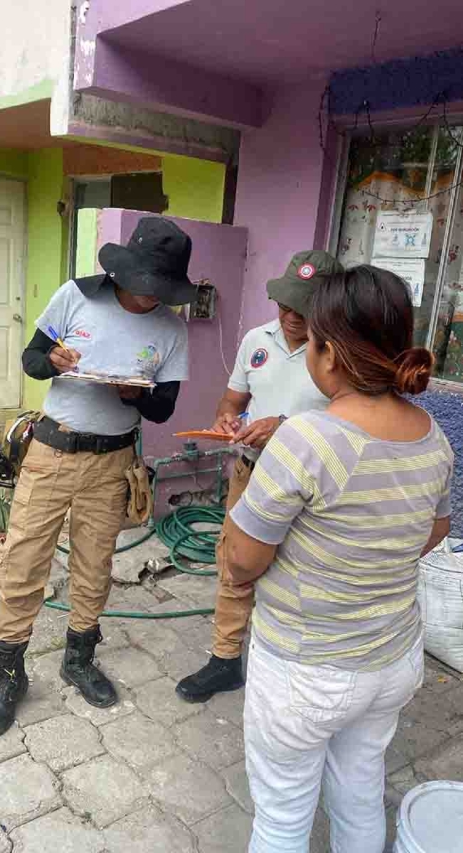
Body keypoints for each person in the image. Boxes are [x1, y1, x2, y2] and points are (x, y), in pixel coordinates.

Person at [225, 265, 453, 853]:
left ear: (328, 354)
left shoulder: (306, 438)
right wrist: (367, 560)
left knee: (281, 816)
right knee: (358, 790)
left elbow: (239, 564)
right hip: (392, 660)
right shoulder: (433, 435)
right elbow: (435, 531)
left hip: (308, 669)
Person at [0, 216, 196, 738]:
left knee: (95, 563)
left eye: (160, 290)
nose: (150, 297)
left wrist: (137, 395)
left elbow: (165, 407)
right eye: (144, 285)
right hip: (53, 452)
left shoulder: (172, 327)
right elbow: (32, 358)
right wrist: (52, 359)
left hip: (113, 463)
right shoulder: (77, 296)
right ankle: (8, 677)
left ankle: (78, 659)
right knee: (25, 560)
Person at [176, 251, 343, 703]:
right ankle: (225, 660)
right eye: (285, 304)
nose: (290, 316)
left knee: (302, 574)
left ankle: (297, 671)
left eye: (303, 308)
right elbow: (230, 403)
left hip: (314, 491)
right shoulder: (257, 339)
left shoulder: (343, 354)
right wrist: (229, 421)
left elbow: (354, 426)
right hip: (251, 476)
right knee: (235, 563)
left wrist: (286, 426)